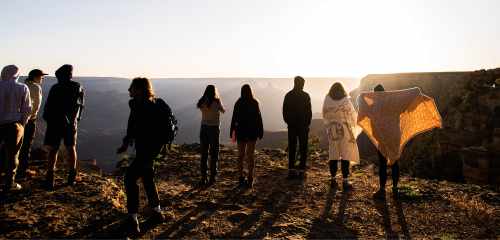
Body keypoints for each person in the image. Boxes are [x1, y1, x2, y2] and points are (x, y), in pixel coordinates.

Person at [117, 77, 169, 235]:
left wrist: (126, 144)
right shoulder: (156, 104)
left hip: (146, 150)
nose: (129, 90)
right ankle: (157, 212)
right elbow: (133, 127)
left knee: (130, 178)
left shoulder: (139, 105)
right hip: (154, 150)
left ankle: (133, 219)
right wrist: (126, 144)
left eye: (131, 87)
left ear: (139, 89)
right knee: (147, 178)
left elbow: (132, 126)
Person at [43, 64, 84, 189]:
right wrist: (75, 120)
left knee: (53, 149)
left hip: (54, 122)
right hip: (69, 123)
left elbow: (48, 106)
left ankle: (50, 178)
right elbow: (80, 106)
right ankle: (71, 177)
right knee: (70, 148)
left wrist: (48, 119)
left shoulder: (55, 87)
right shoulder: (77, 87)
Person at [322, 83, 361, 190]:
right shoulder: (346, 101)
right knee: (346, 155)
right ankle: (345, 181)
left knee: (333, 154)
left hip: (332, 131)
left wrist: (330, 125)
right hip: (345, 131)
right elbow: (353, 116)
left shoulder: (327, 100)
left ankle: (333, 179)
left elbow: (324, 114)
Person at [0, 65, 32, 195]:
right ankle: (9, 183)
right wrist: (22, 124)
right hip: (14, 125)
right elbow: (27, 109)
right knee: (12, 154)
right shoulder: (22, 87)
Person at [230, 84, 263, 188]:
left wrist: (232, 131)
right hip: (252, 132)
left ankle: (240, 177)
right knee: (250, 156)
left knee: (240, 155)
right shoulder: (255, 102)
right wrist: (260, 131)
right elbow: (259, 118)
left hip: (241, 132)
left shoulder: (238, 103)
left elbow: (234, 118)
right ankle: (250, 178)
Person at [17, 69, 47, 180]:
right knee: (26, 146)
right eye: (41, 76)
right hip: (29, 120)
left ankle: (8, 169)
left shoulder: (22, 85)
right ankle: (22, 172)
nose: (42, 78)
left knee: (14, 145)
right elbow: (36, 106)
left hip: (16, 120)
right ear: (35, 77)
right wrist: (32, 117)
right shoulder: (35, 87)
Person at [371, 84, 400, 199]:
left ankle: (382, 190)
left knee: (382, 164)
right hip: (394, 137)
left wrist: (377, 137)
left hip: (382, 138)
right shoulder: (394, 104)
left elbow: (372, 124)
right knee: (394, 162)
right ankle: (395, 189)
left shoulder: (374, 106)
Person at [282, 76, 312, 178]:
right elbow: (309, 112)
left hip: (292, 126)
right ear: (301, 84)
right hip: (303, 127)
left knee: (292, 147)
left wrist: (289, 122)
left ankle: (291, 170)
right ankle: (302, 171)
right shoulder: (306, 96)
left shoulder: (288, 95)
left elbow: (284, 112)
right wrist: (307, 124)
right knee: (303, 148)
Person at [197, 85, 225, 186]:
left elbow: (199, 107)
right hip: (214, 128)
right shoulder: (216, 102)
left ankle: (203, 177)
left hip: (204, 128)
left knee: (204, 154)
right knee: (214, 153)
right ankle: (212, 177)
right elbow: (223, 111)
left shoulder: (202, 101)